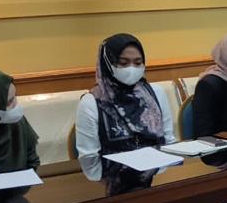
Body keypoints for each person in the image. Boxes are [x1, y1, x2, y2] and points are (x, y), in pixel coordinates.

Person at [75, 34, 176, 187]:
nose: (131, 69)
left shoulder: (155, 94)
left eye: (138, 62)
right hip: (109, 189)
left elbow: (168, 143)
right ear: (107, 63)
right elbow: (91, 167)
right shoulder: (91, 103)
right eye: (123, 63)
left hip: (155, 183)